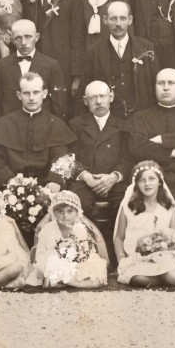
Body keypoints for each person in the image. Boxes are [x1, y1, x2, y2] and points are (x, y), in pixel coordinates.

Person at [127, 68, 175, 248]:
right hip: (153, 176)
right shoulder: (141, 117)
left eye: (171, 83)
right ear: (155, 87)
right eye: (161, 83)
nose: (165, 88)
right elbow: (138, 147)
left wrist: (161, 139)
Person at [68, 81, 132, 248]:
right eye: (93, 98)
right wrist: (86, 176)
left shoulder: (123, 125)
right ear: (85, 101)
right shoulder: (75, 125)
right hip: (85, 182)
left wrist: (114, 177)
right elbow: (68, 157)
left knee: (125, 204)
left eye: (102, 96)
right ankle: (87, 251)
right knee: (77, 204)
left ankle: (117, 253)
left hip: (114, 182)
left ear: (111, 97)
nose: (98, 102)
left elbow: (128, 157)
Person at [113, 162, 175, 288]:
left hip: (165, 256)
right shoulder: (128, 208)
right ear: (136, 184)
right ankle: (163, 277)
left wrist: (165, 254)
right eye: (142, 180)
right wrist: (121, 258)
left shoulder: (169, 208)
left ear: (160, 182)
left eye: (152, 179)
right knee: (139, 280)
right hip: (137, 258)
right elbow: (119, 237)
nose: (147, 184)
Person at [0, 72, 76, 187]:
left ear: (44, 94)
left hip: (47, 186)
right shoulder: (4, 123)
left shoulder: (56, 124)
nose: (31, 98)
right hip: (11, 185)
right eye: (26, 93)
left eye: (36, 92)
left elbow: (62, 158)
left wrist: (54, 181)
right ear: (19, 95)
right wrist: (9, 180)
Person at [24, 0, 85, 103]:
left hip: (63, 68)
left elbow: (78, 39)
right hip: (34, 68)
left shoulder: (72, 0)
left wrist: (76, 76)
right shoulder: (29, 2)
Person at [84, 1, 157, 119]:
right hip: (109, 119)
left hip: (141, 118)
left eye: (123, 18)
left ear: (130, 20)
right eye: (113, 19)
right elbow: (86, 88)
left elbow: (154, 84)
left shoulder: (145, 47)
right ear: (105, 20)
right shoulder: (94, 51)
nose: (118, 24)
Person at [27, 190, 109, 289]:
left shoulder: (80, 228)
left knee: (96, 270)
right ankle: (74, 282)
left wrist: (77, 259)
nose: (65, 215)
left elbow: (85, 252)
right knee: (45, 266)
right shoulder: (47, 229)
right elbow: (40, 256)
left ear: (77, 213)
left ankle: (69, 283)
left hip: (75, 264)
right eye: (60, 211)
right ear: (53, 212)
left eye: (70, 211)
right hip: (54, 263)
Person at [0, 18, 67, 118]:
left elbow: (59, 105)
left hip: (42, 128)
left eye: (28, 37)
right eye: (18, 38)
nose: (24, 43)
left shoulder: (52, 65)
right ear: (11, 38)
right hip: (10, 128)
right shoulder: (1, 66)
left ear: (37, 37)